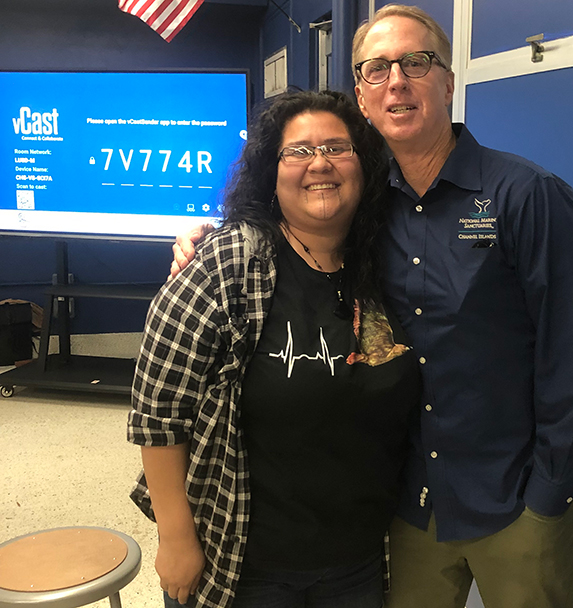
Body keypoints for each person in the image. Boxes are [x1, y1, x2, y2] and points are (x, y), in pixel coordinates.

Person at [173, 5, 573, 608]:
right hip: (408, 509)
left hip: (515, 502)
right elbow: (289, 220)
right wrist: (205, 237)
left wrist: (550, 496)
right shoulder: (365, 206)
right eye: (376, 69)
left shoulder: (527, 198)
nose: (397, 81)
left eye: (416, 62)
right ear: (361, 93)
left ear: (449, 80)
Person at [128, 90, 421, 608]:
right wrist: (176, 539)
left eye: (337, 147)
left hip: (358, 558)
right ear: (271, 170)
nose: (320, 163)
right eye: (299, 151)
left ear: (365, 164)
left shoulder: (387, 259)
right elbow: (159, 412)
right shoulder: (229, 262)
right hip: (245, 560)